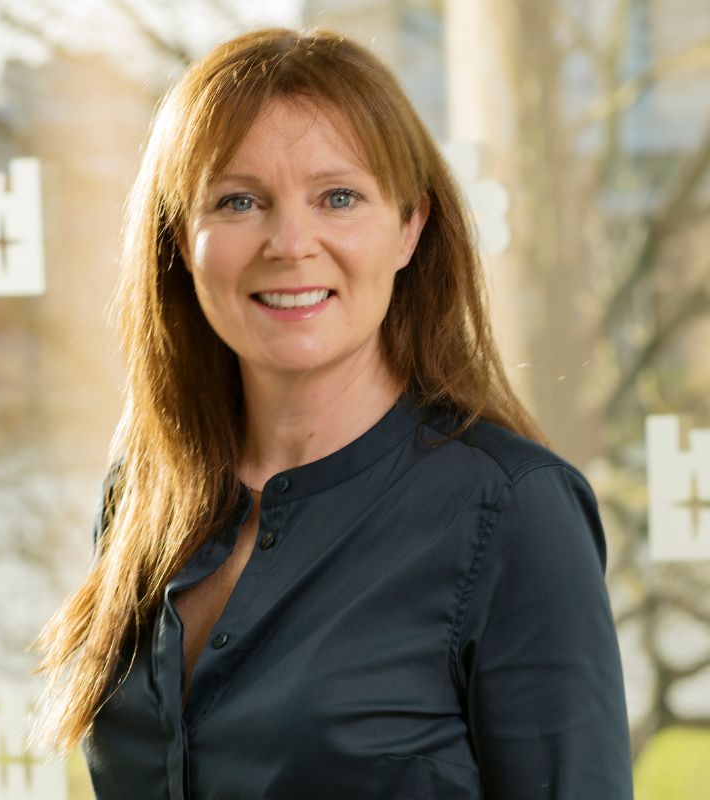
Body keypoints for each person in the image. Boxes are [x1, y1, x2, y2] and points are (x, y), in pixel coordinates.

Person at [32, 27, 634, 799]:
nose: (290, 242)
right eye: (239, 200)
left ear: (410, 226)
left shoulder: (513, 511)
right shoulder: (142, 497)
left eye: (338, 197)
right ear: (181, 238)